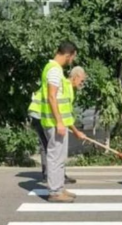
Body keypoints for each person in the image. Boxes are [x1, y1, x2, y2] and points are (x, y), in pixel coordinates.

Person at [28, 66, 87, 185]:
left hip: (41, 113)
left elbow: (65, 114)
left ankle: (56, 175)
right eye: (82, 81)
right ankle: (50, 176)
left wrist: (74, 131)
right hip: (39, 113)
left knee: (52, 146)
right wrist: (76, 132)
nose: (83, 84)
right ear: (76, 77)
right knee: (50, 146)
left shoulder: (67, 86)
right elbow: (66, 115)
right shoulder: (66, 86)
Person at [39, 42, 82, 203]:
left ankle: (59, 187)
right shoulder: (54, 71)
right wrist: (59, 122)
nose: (72, 61)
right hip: (53, 121)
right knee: (55, 156)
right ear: (68, 55)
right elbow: (52, 96)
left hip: (56, 121)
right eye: (72, 57)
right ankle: (55, 192)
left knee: (60, 156)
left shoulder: (54, 69)